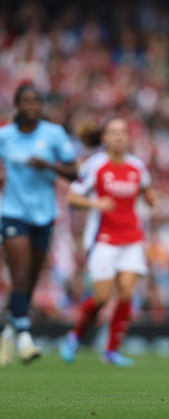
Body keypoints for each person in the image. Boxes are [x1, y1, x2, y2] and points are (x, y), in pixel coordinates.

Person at [59, 116, 156, 366]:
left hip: (132, 237)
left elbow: (148, 190)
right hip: (103, 237)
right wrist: (95, 202)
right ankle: (76, 336)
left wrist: (154, 199)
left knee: (126, 292)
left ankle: (111, 351)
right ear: (104, 138)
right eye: (113, 132)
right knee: (101, 297)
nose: (118, 136)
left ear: (128, 136)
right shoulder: (95, 165)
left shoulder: (137, 166)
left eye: (122, 131)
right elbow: (72, 197)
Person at [0, 84, 78, 366]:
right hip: (12, 212)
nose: (31, 105)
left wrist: (48, 166)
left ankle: (8, 332)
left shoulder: (53, 134)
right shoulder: (4, 135)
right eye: (26, 101)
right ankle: (24, 338)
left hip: (44, 214)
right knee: (19, 274)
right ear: (17, 105)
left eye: (36, 101)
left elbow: (74, 171)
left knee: (30, 278)